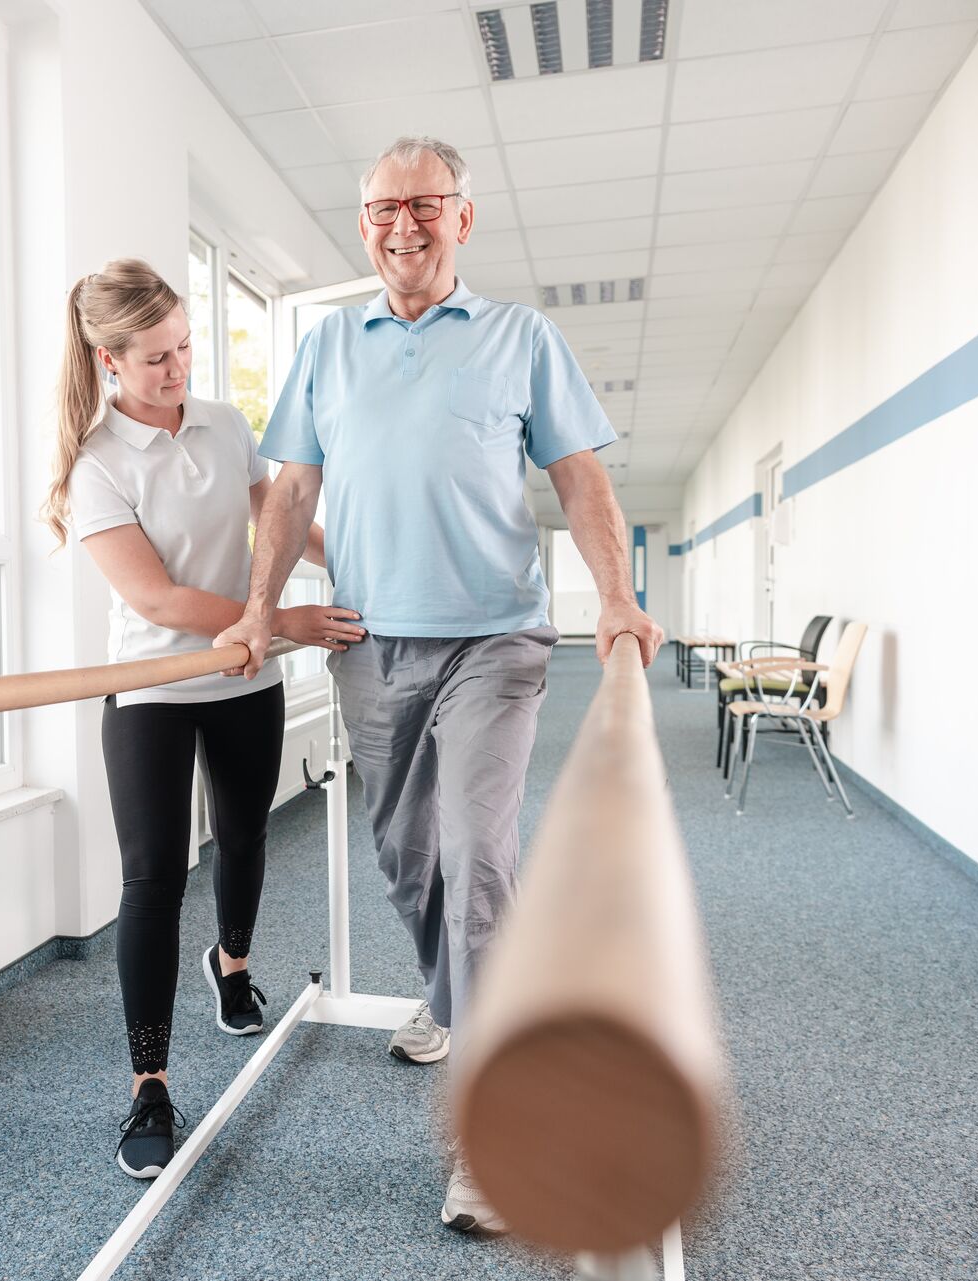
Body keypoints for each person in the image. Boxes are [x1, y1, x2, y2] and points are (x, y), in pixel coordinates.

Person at [214, 138, 664, 1233]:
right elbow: (289, 489)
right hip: (371, 647)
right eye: (380, 208)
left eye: (423, 205)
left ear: (464, 218)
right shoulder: (327, 344)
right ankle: (465, 997)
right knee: (407, 861)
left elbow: (579, 475)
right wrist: (257, 609)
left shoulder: (522, 338)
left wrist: (615, 595)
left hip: (494, 644)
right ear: (362, 223)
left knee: (474, 863)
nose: (401, 225)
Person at [43, 258, 365, 1180]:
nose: (178, 368)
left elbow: (276, 515)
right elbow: (158, 594)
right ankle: (149, 1083)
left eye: (184, 347)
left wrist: (346, 561)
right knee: (150, 880)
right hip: (151, 683)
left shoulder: (224, 424)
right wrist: (280, 618)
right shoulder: (96, 464)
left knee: (244, 835)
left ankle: (232, 965)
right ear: (109, 360)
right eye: (155, 358)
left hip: (242, 678)